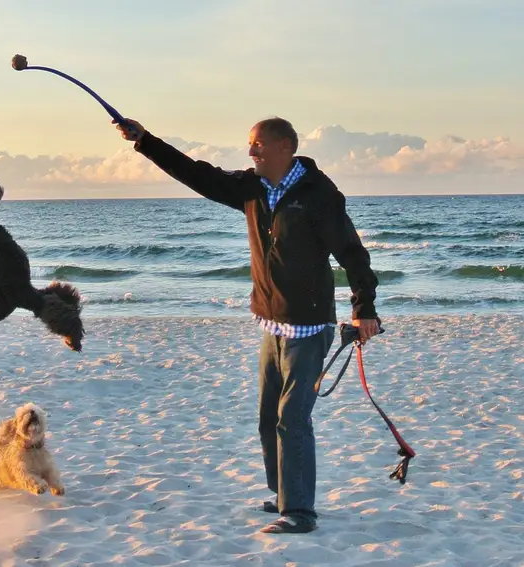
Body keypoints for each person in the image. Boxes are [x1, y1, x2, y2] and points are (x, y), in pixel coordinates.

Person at [116, 116, 381, 534]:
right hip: (271, 323)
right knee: (267, 417)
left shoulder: (319, 195)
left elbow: (351, 252)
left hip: (309, 327)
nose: (251, 151)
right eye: (250, 144)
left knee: (292, 418)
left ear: (285, 147)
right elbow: (197, 175)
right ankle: (282, 496)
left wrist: (364, 307)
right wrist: (146, 141)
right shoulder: (251, 188)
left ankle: (299, 512)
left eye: (258, 145)